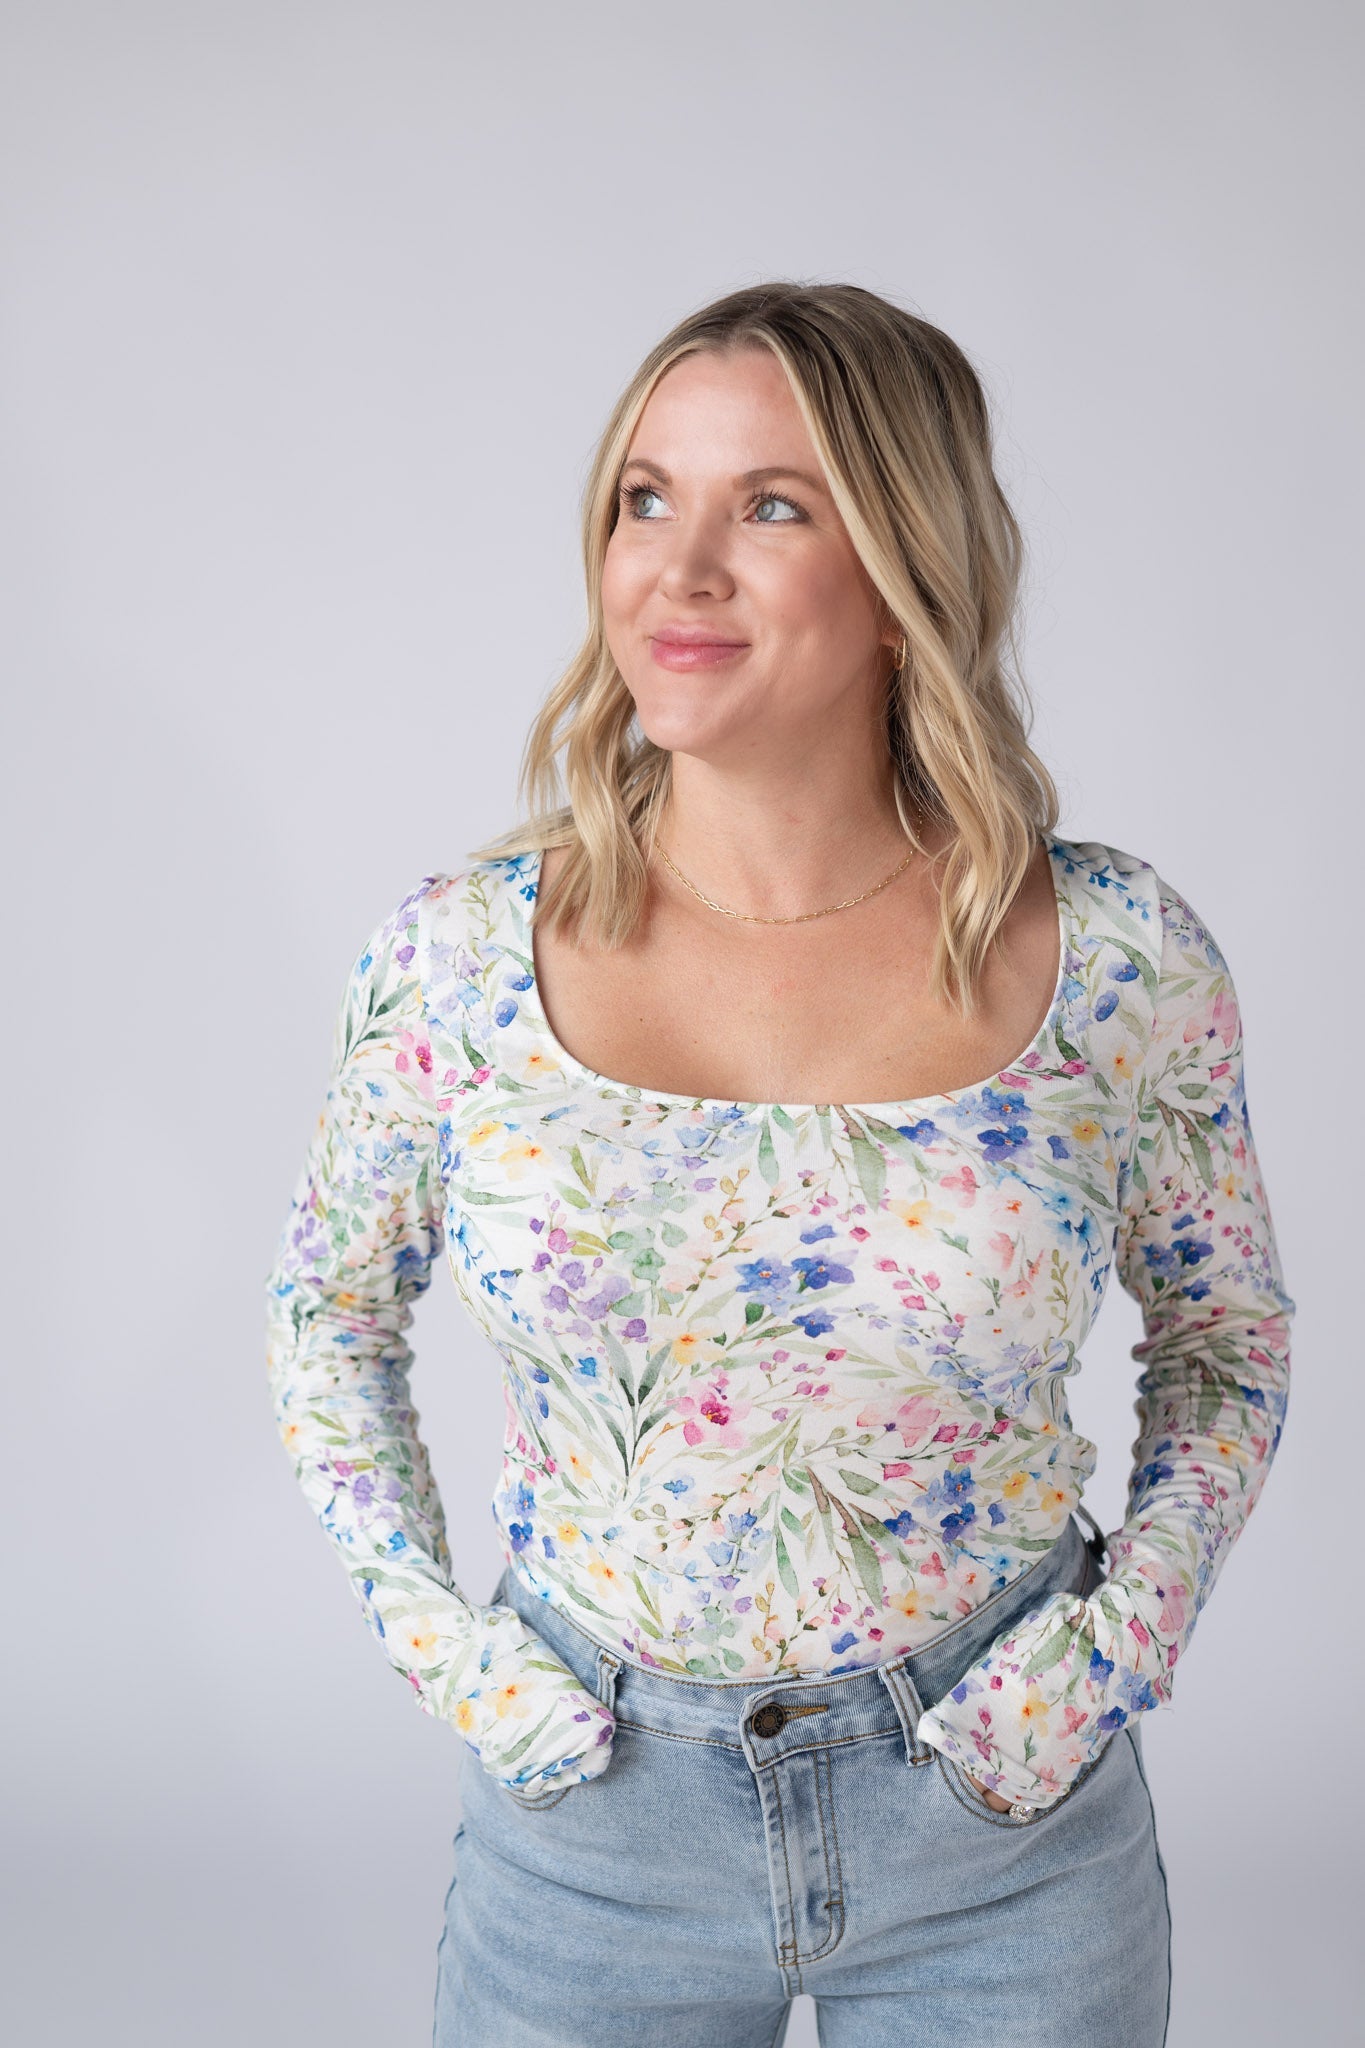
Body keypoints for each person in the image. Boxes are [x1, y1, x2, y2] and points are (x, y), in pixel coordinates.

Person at [264, 281, 1294, 2047]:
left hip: (1003, 1835)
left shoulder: (1116, 954)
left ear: (904, 570)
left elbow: (1224, 1340)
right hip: (593, 1840)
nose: (676, 570)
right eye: (642, 499)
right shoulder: (456, 958)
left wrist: (1107, 1657)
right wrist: (461, 1663)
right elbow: (325, 1318)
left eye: (769, 506)